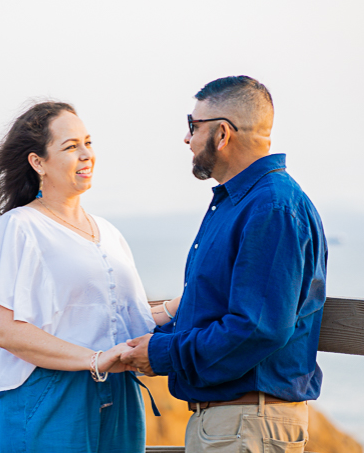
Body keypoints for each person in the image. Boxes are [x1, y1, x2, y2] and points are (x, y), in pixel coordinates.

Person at [0, 101, 173, 453]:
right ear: (38, 162)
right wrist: (93, 359)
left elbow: (114, 317)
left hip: (120, 393)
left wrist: (174, 308)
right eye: (71, 146)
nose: (86, 154)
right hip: (51, 392)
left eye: (88, 142)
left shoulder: (109, 232)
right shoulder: (18, 228)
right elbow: (7, 330)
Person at [121, 76, 327, 454]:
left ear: (222, 134)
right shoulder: (242, 203)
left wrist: (161, 353)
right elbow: (215, 308)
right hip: (233, 423)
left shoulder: (271, 208)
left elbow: (257, 328)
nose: (187, 139)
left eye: (192, 126)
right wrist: (157, 335)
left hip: (247, 423)